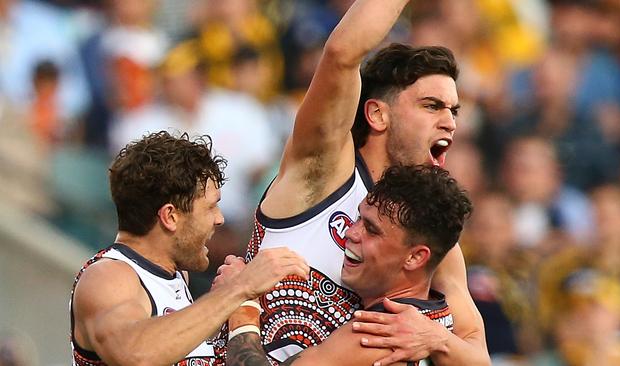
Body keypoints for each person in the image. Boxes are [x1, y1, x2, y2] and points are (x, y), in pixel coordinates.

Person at [214, 1, 490, 365]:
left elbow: (476, 351)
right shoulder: (324, 165)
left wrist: (438, 338)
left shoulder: (425, 230)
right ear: (377, 114)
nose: (449, 122)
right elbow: (342, 53)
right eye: (431, 106)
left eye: (453, 111)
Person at [69, 131, 309, 365]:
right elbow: (135, 354)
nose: (219, 219)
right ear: (170, 216)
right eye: (211, 207)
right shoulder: (108, 277)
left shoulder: (175, 277)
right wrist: (240, 288)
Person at [222, 165, 472, 366]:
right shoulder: (441, 319)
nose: (351, 233)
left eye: (372, 230)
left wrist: (240, 300)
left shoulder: (382, 333)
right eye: (358, 219)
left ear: (415, 257)